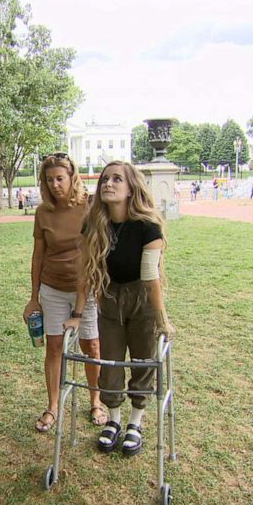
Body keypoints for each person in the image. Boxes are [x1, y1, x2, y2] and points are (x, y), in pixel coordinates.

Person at [65, 161, 173, 458]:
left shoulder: (148, 226)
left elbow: (150, 277)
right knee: (110, 363)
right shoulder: (94, 224)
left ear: (130, 189)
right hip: (109, 298)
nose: (108, 184)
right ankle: (113, 421)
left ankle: (135, 424)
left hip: (142, 300)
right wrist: (76, 315)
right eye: (104, 180)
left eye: (116, 180)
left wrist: (162, 320)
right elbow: (85, 274)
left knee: (142, 361)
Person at [25, 153, 104, 433]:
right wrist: (34, 297)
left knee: (91, 346)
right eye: (49, 180)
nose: (55, 184)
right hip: (52, 289)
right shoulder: (42, 213)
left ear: (72, 177)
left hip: (87, 290)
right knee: (54, 347)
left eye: (60, 178)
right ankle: (53, 406)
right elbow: (37, 256)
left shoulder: (90, 206)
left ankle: (96, 400)